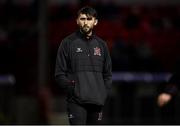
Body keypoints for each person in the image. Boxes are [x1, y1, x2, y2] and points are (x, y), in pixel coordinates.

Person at [55, 6, 112, 125]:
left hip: (97, 102)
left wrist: (102, 93)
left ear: (95, 22)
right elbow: (59, 74)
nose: (86, 22)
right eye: (82, 18)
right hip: (76, 102)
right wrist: (74, 90)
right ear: (77, 21)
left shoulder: (102, 45)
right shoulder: (67, 43)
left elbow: (107, 74)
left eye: (89, 19)